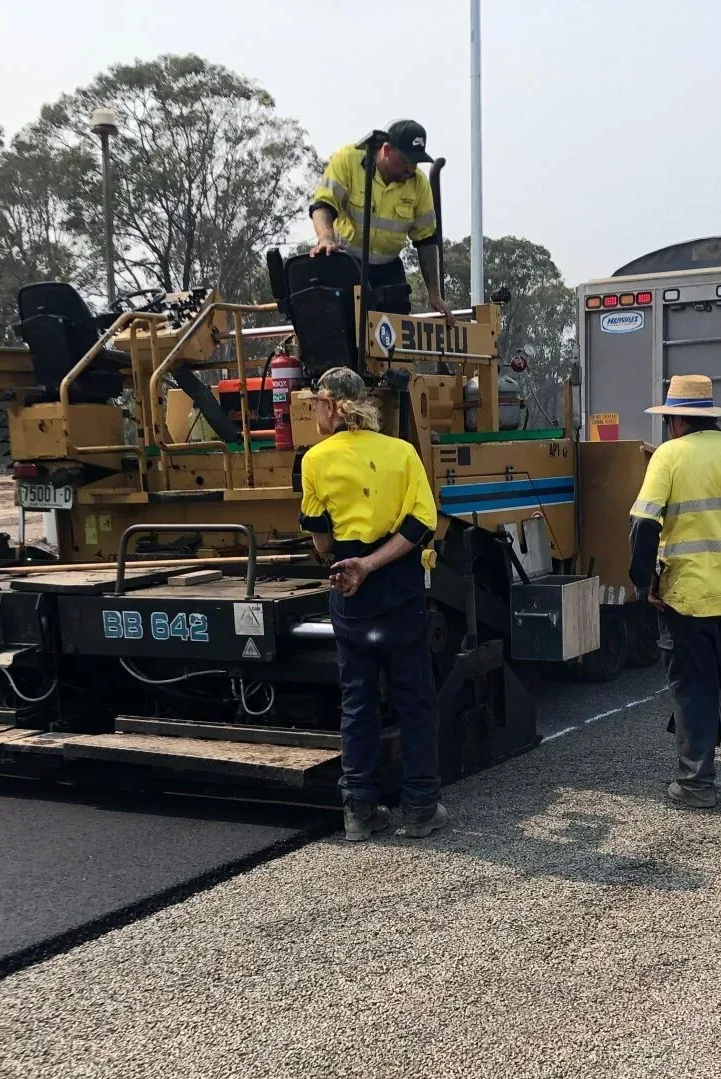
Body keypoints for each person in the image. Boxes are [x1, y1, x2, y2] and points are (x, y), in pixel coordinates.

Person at [299, 368, 445, 841]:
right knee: (414, 700)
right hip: (398, 589)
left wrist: (352, 564)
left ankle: (359, 810)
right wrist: (375, 563)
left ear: (331, 406)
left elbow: (320, 539)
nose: (312, 413)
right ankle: (421, 808)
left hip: (349, 593)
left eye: (313, 404)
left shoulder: (315, 460)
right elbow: (423, 522)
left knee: (358, 703)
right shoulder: (402, 453)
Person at [628, 374, 721, 809]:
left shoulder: (670, 456)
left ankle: (696, 783)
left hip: (688, 595)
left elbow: (643, 524)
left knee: (693, 685)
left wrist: (643, 582)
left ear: (675, 420)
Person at [309, 119, 453, 321]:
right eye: (406, 160)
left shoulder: (419, 184)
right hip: (348, 262)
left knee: (395, 335)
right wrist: (325, 238)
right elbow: (323, 205)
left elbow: (426, 240)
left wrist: (434, 294)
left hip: (388, 269)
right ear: (386, 150)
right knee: (345, 330)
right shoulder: (348, 160)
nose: (411, 168)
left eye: (416, 162)